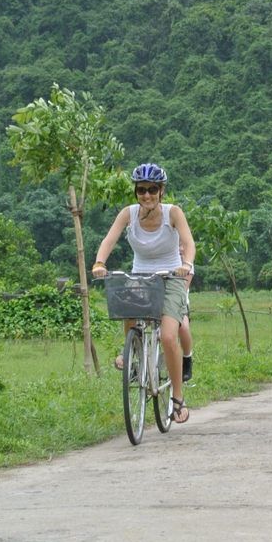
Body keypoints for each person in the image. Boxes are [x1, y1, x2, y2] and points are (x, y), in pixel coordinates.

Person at [92, 163, 195, 424]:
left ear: (161, 191)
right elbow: (109, 239)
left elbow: (188, 242)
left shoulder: (174, 213)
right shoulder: (128, 214)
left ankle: (178, 399)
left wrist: (186, 265)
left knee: (170, 336)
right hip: (140, 276)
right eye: (141, 190)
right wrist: (100, 262)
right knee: (126, 304)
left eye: (152, 190)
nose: (146, 195)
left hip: (171, 277)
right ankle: (135, 358)